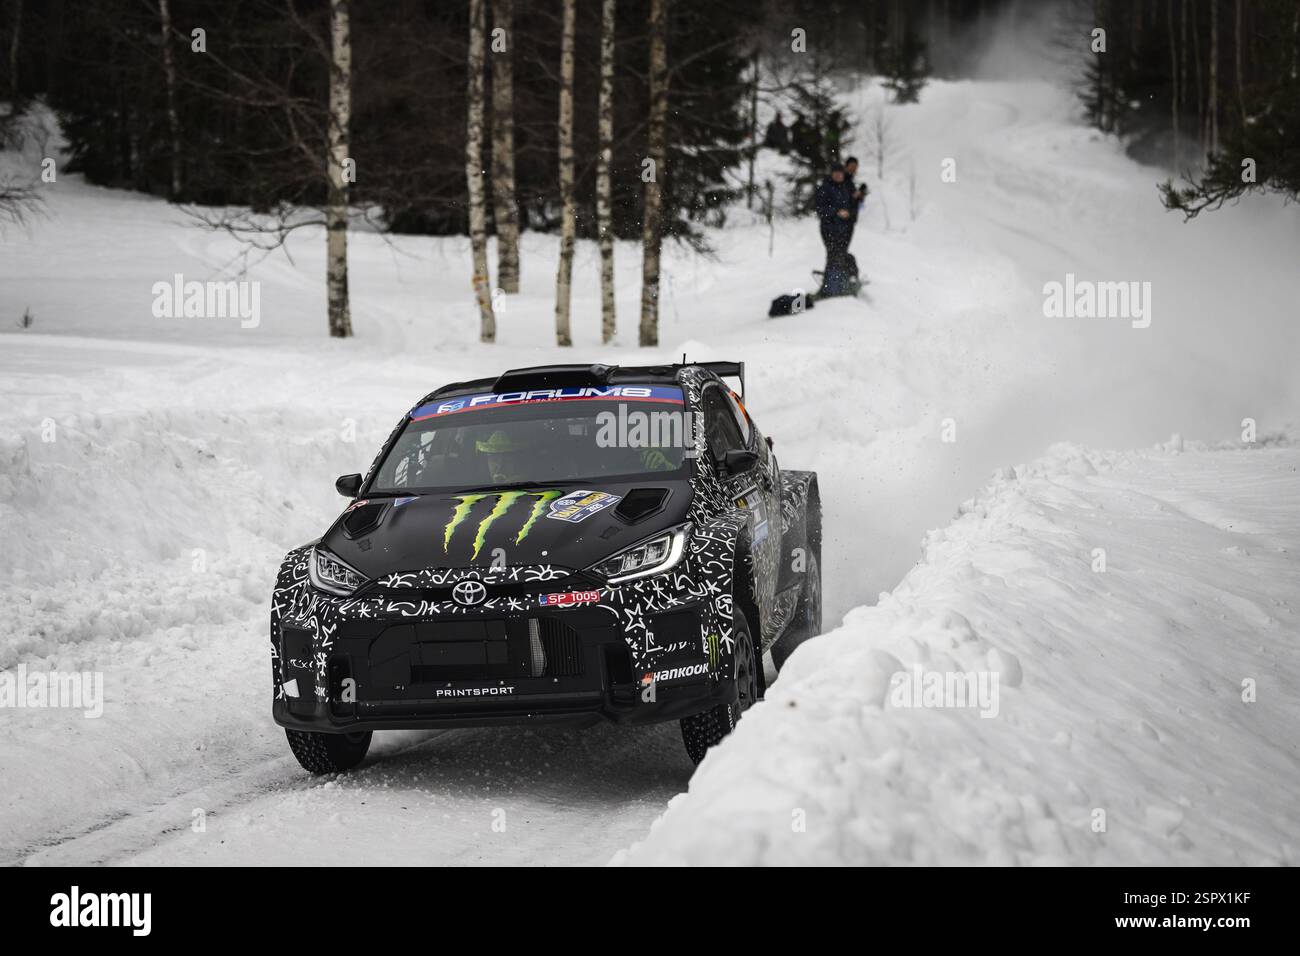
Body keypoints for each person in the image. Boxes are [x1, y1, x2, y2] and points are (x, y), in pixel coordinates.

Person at [814, 163, 853, 275]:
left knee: (841, 254)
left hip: (844, 228)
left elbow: (850, 206)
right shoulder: (824, 188)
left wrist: (848, 214)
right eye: (836, 173)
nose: (838, 176)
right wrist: (836, 212)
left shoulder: (845, 188)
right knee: (833, 254)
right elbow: (820, 210)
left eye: (840, 173)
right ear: (831, 174)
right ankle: (831, 283)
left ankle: (841, 280)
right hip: (829, 228)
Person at [842, 156, 868, 245]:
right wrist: (854, 195)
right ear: (846, 166)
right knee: (838, 252)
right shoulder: (842, 179)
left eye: (856, 166)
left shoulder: (850, 180)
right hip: (842, 221)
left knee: (842, 251)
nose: (854, 168)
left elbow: (859, 204)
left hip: (850, 220)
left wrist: (861, 194)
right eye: (852, 165)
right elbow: (841, 198)